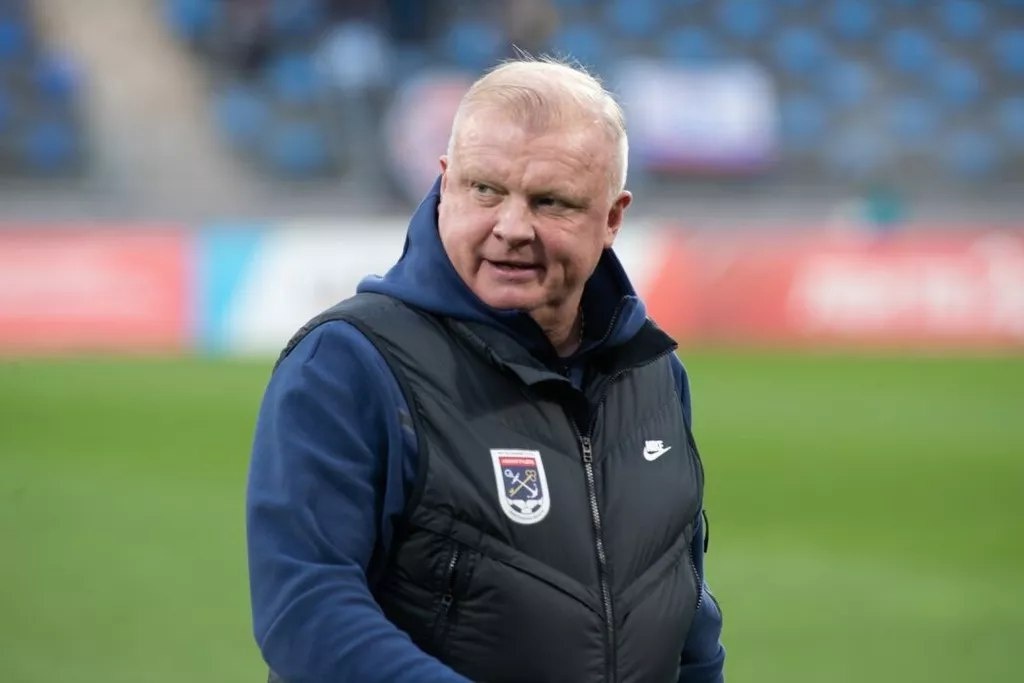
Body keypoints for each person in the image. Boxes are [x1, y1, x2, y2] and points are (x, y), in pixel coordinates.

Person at [246, 57, 726, 682]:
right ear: (445, 184)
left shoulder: (653, 375)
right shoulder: (349, 363)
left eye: (550, 202)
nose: (512, 228)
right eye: (485, 190)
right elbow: (306, 612)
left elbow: (684, 615)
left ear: (612, 217)